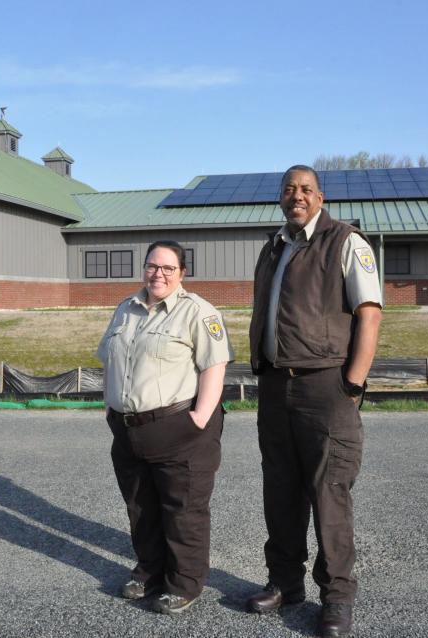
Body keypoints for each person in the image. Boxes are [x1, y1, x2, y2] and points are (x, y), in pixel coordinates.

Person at [245, 166, 382, 637]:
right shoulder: (273, 247)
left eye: (305, 189)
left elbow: (369, 316)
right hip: (274, 386)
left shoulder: (345, 242)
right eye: (289, 189)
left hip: (326, 385)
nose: (296, 195)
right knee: (279, 491)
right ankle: (285, 583)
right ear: (280, 197)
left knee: (329, 493)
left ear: (320, 196)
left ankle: (337, 598)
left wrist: (352, 384)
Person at [97, 240, 234, 615]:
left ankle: (183, 583)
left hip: (178, 426)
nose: (158, 274)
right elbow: (109, 358)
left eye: (167, 268)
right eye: (152, 266)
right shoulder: (126, 309)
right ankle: (149, 572)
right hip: (129, 429)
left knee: (183, 509)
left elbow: (214, 366)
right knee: (140, 506)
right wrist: (109, 405)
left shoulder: (198, 313)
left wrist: (200, 418)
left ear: (182, 273)